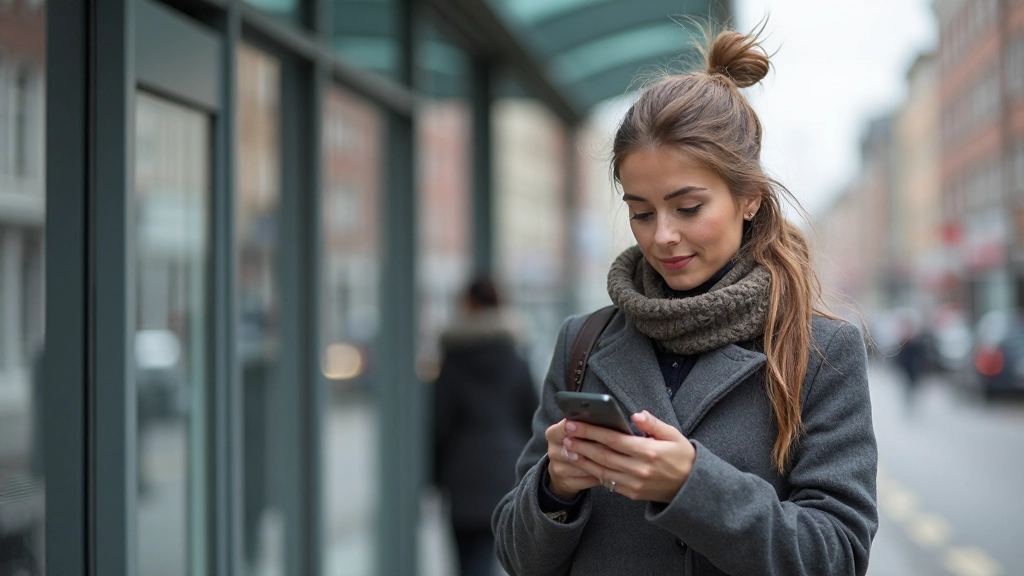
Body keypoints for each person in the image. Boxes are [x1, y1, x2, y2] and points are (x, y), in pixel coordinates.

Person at [492, 26, 878, 576]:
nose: (662, 236)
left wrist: (693, 487)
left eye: (688, 207)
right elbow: (514, 553)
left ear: (748, 198)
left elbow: (836, 556)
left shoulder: (821, 349)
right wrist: (554, 489)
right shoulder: (584, 342)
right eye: (642, 212)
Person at [432, 275, 538, 576]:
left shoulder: (453, 359)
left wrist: (435, 477)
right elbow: (532, 415)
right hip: (507, 468)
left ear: (469, 304)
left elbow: (440, 423)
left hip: (462, 473)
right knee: (503, 554)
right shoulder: (515, 357)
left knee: (468, 561)